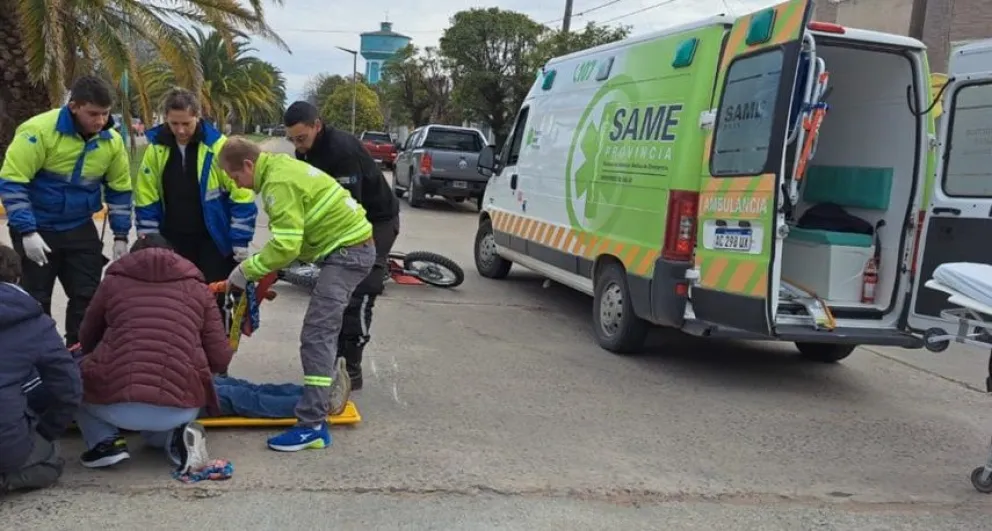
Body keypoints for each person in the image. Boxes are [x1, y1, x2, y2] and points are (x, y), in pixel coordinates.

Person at [219, 136, 375, 452]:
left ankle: (312, 425)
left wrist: (245, 271)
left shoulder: (277, 184)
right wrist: (266, 272)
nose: (239, 185)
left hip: (346, 253)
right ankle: (323, 395)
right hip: (349, 248)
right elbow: (294, 239)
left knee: (317, 334)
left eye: (236, 177)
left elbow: (286, 245)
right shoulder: (281, 167)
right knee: (319, 333)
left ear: (248, 165)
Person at [73, 234, 231, 472]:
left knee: (73, 379)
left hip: (116, 406)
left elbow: (87, 339)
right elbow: (220, 358)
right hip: (181, 406)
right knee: (156, 433)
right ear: (174, 256)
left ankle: (105, 443)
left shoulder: (112, 284)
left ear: (132, 257)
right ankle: (176, 438)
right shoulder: (199, 289)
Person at [0, 76, 134, 346]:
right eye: (93, 114)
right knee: (36, 300)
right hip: (38, 227)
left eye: (105, 113)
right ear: (74, 107)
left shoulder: (111, 141)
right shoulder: (38, 132)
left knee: (87, 297)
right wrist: (27, 231)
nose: (100, 121)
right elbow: (13, 182)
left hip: (79, 226)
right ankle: (42, 356)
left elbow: (120, 189)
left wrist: (121, 235)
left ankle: (79, 353)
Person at [284, 101, 401, 390]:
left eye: (302, 138)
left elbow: (351, 209)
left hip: (375, 221)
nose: (298, 146)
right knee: (334, 293)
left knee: (361, 291)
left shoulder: (342, 151)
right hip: (345, 221)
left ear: (317, 125)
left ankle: (352, 367)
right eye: (292, 140)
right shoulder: (305, 152)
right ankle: (332, 359)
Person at [135, 88, 257, 299]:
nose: (180, 130)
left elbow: (241, 196)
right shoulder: (156, 149)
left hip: (212, 240)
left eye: (186, 123)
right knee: (174, 297)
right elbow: (146, 195)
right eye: (174, 124)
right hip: (172, 237)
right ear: (166, 119)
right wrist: (149, 237)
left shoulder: (218, 147)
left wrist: (240, 240)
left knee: (213, 297)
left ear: (197, 117)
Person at [0, 245, 82, 493]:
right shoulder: (35, 321)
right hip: (7, 442)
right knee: (51, 457)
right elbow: (69, 388)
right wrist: (46, 431)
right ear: (17, 278)